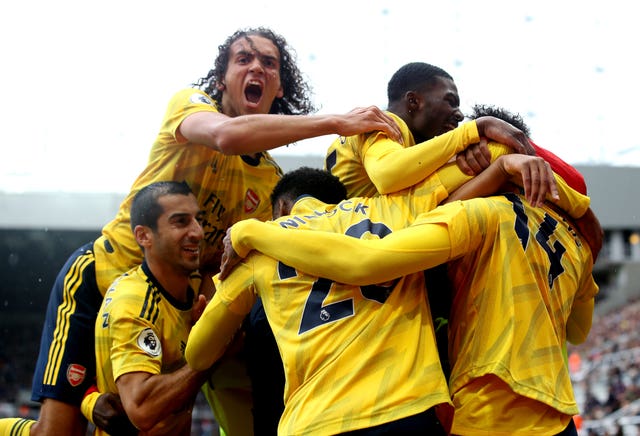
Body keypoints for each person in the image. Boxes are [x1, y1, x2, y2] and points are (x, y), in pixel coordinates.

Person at [0, 27, 402, 436]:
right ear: (222, 78)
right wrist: (336, 122)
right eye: (243, 59)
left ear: (279, 86)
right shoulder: (191, 108)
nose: (256, 67)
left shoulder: (268, 183)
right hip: (103, 278)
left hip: (175, 310)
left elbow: (227, 264)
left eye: (269, 62)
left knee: (150, 422)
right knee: (54, 433)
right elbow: (226, 136)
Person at [186, 156, 575, 435]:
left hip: (312, 421)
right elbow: (467, 172)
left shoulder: (259, 248)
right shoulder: (394, 209)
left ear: (282, 208)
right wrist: (503, 165)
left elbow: (198, 353)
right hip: (406, 411)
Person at [93, 181, 210, 435]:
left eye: (198, 220)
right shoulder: (134, 302)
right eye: (180, 222)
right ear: (144, 236)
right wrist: (209, 354)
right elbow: (141, 408)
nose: (198, 232)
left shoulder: (194, 285)